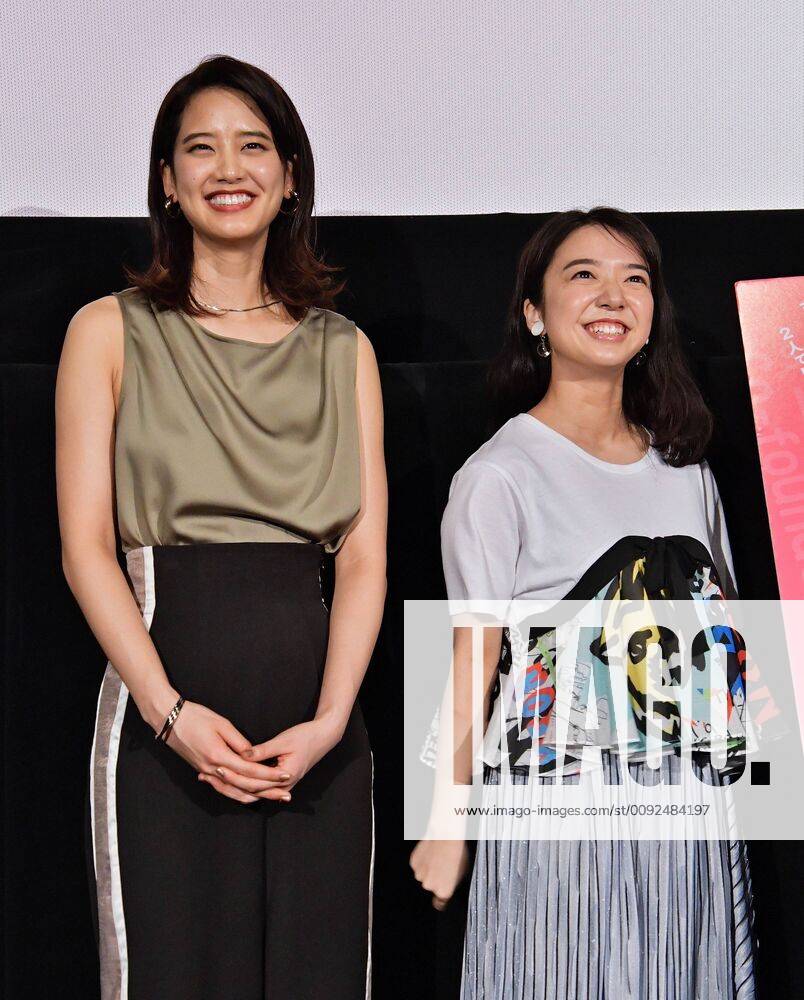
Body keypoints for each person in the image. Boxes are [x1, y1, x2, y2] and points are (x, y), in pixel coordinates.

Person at [55, 55, 387, 999]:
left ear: (289, 177)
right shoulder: (108, 331)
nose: (227, 167)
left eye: (253, 146)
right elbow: (86, 551)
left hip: (317, 740)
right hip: (168, 724)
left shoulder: (341, 347)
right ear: (167, 179)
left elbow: (363, 557)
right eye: (199, 147)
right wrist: (169, 715)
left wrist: (328, 724)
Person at [410, 207, 757, 999]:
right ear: (534, 313)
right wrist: (446, 818)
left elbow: (727, 641)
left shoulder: (687, 473)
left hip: (688, 820)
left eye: (635, 279)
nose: (613, 295)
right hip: (563, 817)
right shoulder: (499, 476)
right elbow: (477, 656)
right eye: (583, 275)